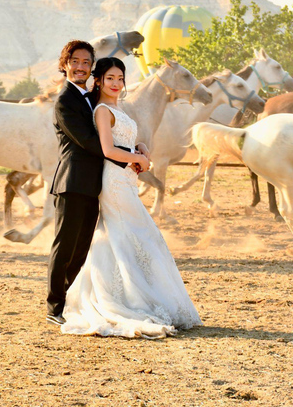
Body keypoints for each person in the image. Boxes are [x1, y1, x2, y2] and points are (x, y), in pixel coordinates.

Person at [60, 57, 202, 339]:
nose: (116, 84)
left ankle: (135, 294)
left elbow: (123, 140)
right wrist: (138, 159)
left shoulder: (118, 107)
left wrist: (140, 146)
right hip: (114, 181)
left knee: (125, 237)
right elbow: (108, 149)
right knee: (137, 234)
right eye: (110, 78)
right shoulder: (102, 110)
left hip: (126, 178)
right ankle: (131, 301)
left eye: (120, 78)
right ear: (98, 80)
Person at [47, 41, 150, 326]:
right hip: (73, 181)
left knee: (82, 248)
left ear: (91, 67)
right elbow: (90, 142)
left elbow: (113, 132)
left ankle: (71, 300)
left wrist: (135, 146)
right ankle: (54, 306)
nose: (80, 67)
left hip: (98, 184)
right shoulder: (65, 101)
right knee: (65, 246)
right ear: (65, 63)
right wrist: (129, 158)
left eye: (86, 62)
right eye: (75, 61)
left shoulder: (94, 98)